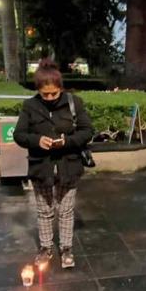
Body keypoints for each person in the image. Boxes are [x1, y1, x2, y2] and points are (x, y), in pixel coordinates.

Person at [14, 60, 94, 269]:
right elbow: (19, 135)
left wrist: (66, 141)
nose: (49, 98)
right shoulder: (30, 106)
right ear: (38, 90)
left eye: (53, 94)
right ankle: (46, 247)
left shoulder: (74, 103)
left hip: (69, 165)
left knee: (66, 211)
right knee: (45, 211)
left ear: (60, 88)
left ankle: (66, 248)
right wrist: (37, 140)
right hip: (41, 167)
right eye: (44, 94)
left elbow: (87, 131)